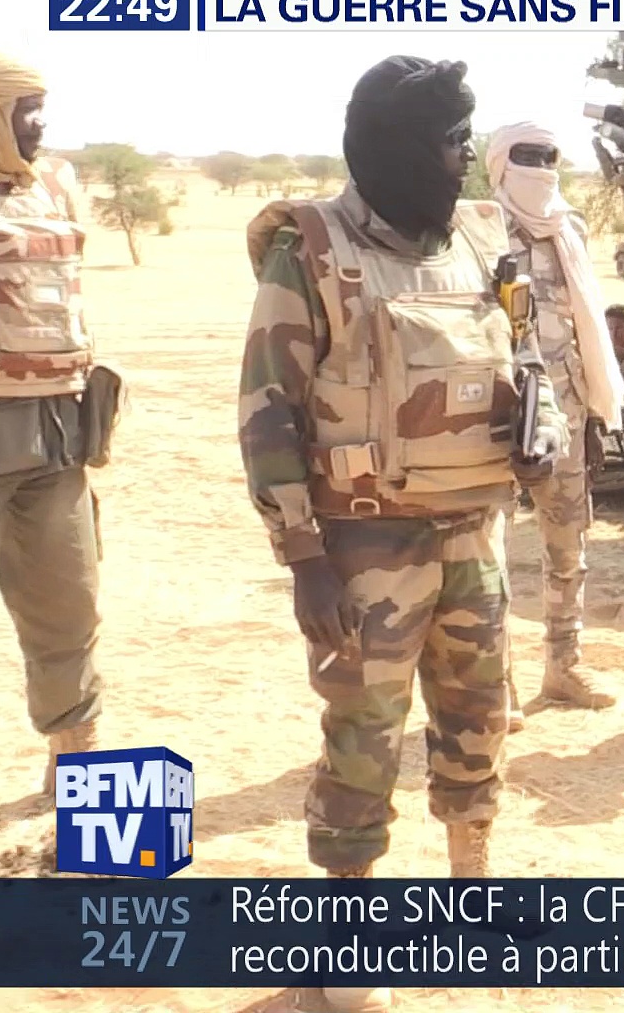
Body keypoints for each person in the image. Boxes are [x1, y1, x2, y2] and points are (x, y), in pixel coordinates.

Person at [238, 57, 565, 1013]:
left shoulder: (480, 241)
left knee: (479, 722)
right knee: (363, 737)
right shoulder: (310, 248)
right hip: (361, 544)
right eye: (450, 140)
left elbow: (524, 358)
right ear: (396, 146)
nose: (465, 155)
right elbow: (267, 411)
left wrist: (539, 431)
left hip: (473, 536)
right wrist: (303, 556)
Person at [0, 47, 109, 796]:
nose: (41, 124)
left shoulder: (54, 187)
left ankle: (74, 764)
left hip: (56, 443)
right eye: (25, 111)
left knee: (69, 613)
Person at [484, 121, 624, 731]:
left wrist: (592, 412)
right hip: (495, 416)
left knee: (569, 548)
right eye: (528, 157)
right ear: (499, 165)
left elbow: (582, 325)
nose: (541, 168)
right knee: (488, 554)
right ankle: (498, 683)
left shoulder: (572, 230)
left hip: (564, 414)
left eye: (549, 157)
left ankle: (564, 668)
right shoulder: (478, 231)